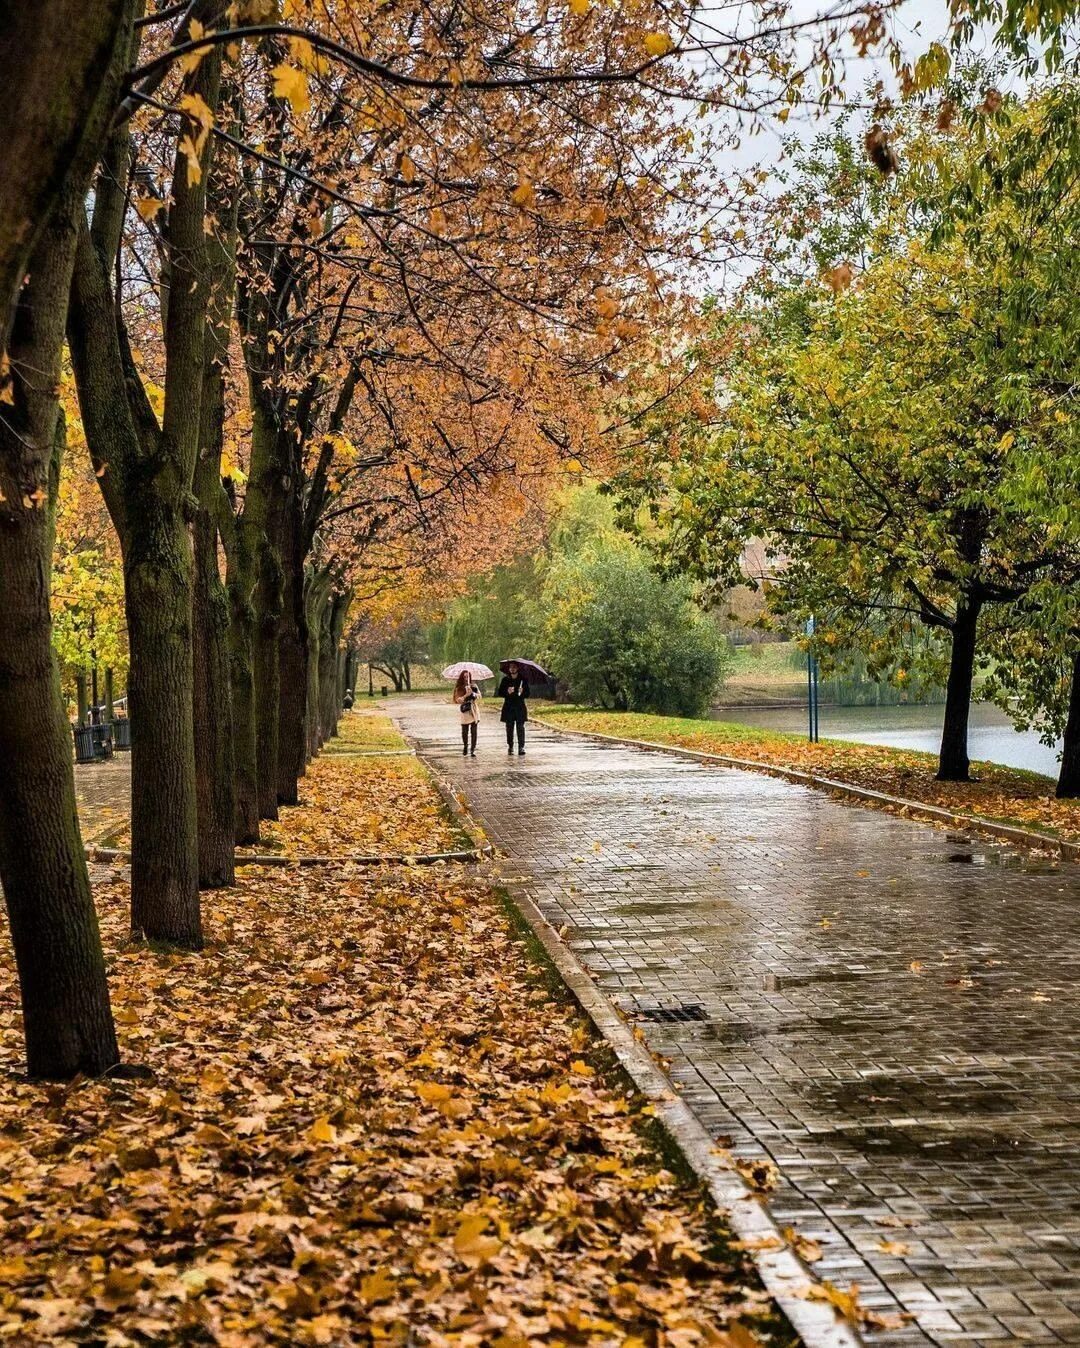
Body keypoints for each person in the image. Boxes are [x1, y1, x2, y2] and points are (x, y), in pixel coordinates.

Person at [497, 662, 529, 755]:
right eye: (511, 667)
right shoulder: (505, 680)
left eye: (514, 667)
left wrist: (522, 692)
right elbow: (500, 693)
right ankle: (510, 746)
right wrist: (507, 692)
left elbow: (527, 694)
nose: (512, 669)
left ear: (517, 668)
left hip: (519, 707)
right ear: (509, 669)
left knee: (520, 727)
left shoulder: (523, 680)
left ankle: (521, 747)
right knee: (509, 727)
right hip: (509, 707)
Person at [453, 670, 481, 756]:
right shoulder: (459, 688)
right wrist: (466, 695)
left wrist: (472, 693)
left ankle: (473, 749)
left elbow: (479, 696)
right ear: (462, 678)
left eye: (468, 677)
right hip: (465, 710)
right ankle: (465, 745)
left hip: (473, 709)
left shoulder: (474, 686)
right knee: (464, 731)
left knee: (474, 730)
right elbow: (458, 700)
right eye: (464, 677)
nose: (466, 678)